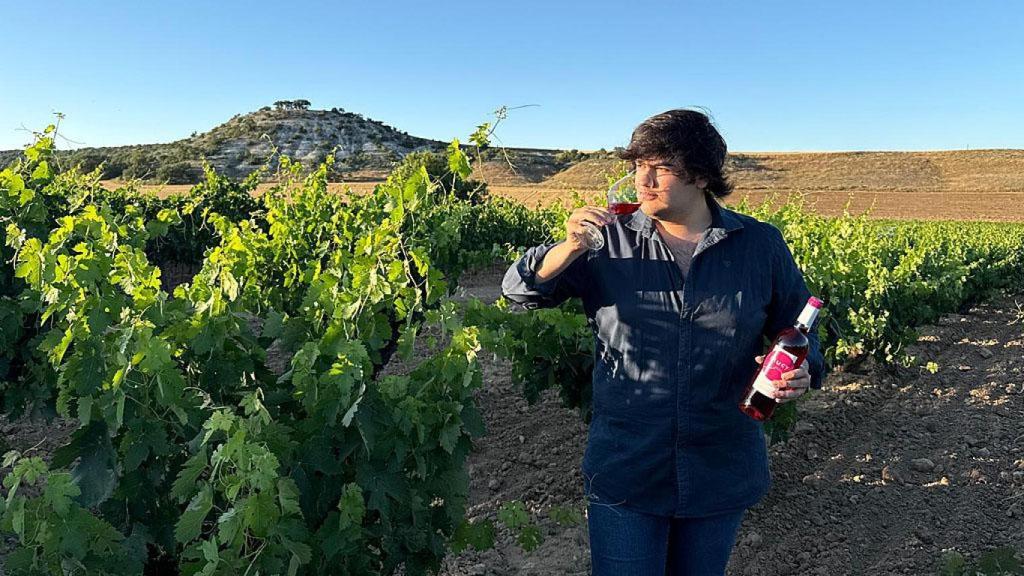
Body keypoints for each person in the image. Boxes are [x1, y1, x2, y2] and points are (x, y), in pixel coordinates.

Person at [501, 109, 824, 575]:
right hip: (628, 468)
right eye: (637, 165)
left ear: (701, 175)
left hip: (719, 466)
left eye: (661, 167)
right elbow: (520, 290)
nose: (643, 180)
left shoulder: (759, 245)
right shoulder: (605, 242)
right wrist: (569, 247)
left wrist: (803, 370)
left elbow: (800, 330)